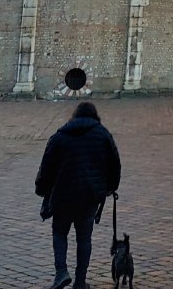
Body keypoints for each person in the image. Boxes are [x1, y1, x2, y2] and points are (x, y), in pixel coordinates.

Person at [35, 101, 122, 289]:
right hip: (90, 195)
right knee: (84, 238)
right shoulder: (103, 135)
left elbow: (46, 166)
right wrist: (110, 187)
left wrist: (41, 189)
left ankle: (61, 272)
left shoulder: (60, 136)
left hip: (62, 195)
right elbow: (115, 164)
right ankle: (80, 281)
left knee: (60, 233)